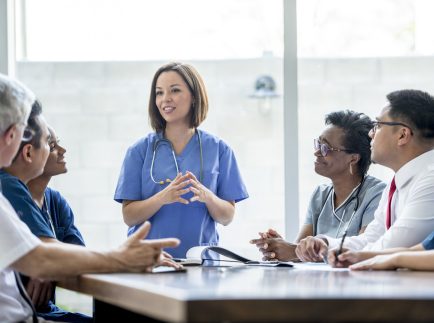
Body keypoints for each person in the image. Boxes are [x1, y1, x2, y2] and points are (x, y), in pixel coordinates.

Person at [0, 73, 180, 323]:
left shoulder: (49, 199)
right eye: (22, 132)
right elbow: (39, 259)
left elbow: (46, 256)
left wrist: (50, 261)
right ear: (12, 136)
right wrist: (123, 257)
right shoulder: (5, 187)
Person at [114, 62, 249, 258]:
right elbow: (129, 216)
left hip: (201, 263)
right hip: (149, 261)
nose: (165, 99)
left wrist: (207, 196)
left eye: (174, 90)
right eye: (159, 93)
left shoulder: (220, 150)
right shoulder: (139, 151)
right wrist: (163, 197)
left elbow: (227, 217)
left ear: (194, 96)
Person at [297, 89, 434, 263]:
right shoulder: (399, 182)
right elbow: (372, 238)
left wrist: (344, 254)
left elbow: (392, 245)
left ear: (402, 135)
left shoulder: (430, 181)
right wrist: (326, 243)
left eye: (377, 125)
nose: (371, 133)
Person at [250, 110, 385, 261]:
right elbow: (299, 250)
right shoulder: (320, 194)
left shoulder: (377, 194)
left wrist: (292, 251)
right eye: (318, 144)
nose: (316, 152)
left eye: (325, 148)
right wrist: (278, 247)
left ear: (353, 158)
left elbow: (365, 250)